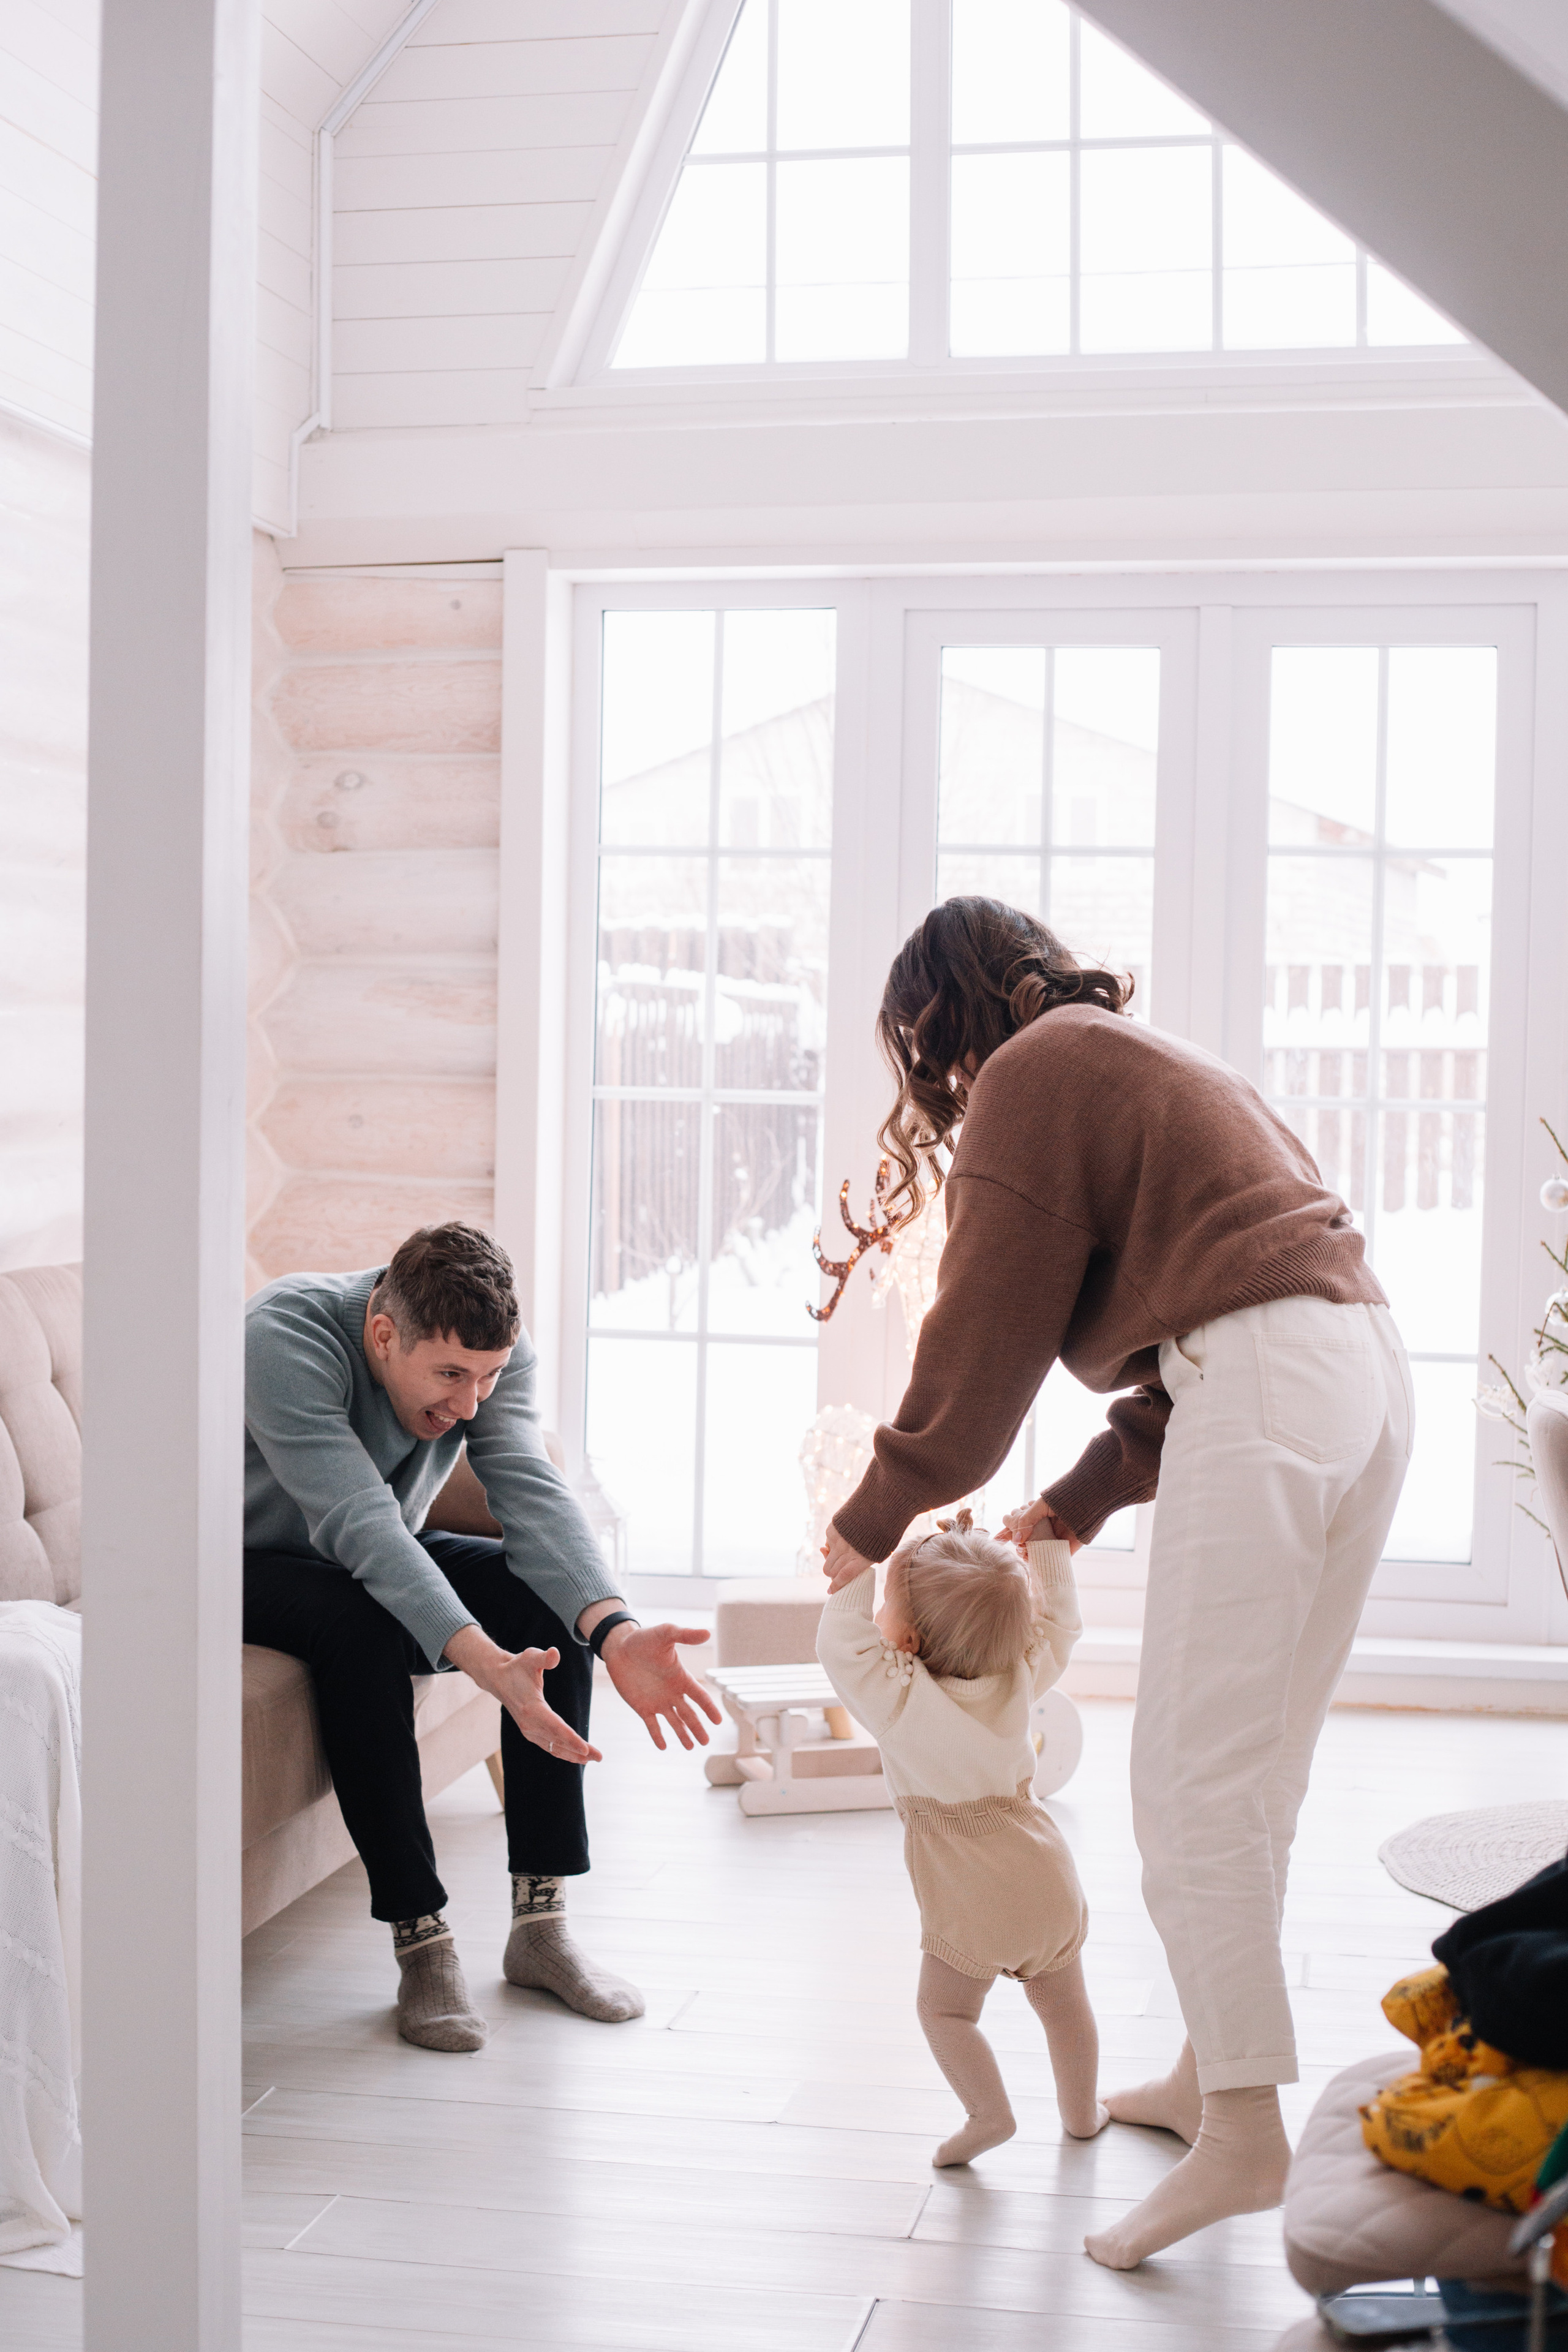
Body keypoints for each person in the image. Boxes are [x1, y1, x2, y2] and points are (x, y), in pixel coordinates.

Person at [820, 898, 1412, 2268]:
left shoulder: (1033, 1074)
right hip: (1366, 1375)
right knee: (1255, 1767)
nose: (940, 1084)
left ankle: (1245, 2135)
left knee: (1186, 1782)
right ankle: (1214, 2073)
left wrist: (869, 1519)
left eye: (926, 1051)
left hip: (1267, 1384)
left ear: (944, 1019)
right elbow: (1236, 1308)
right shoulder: (1149, 1060)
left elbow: (971, 1364)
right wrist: (1069, 1507)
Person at [243, 1221, 720, 2052]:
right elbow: (360, 1526)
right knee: (358, 1623)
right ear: (385, 1336)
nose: (470, 1404)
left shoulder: (491, 1358)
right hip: (238, 1564)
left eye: (489, 1377)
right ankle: (421, 1942)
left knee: (542, 1598)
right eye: (451, 1376)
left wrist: (613, 1631)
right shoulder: (284, 1334)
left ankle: (541, 1927)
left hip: (359, 1549)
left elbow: (532, 1493)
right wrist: (483, 1660)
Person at [816, 1514, 1106, 2164]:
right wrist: (1049, 1549)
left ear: (910, 1639)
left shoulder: (896, 1697)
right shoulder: (1021, 1673)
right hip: (1047, 1872)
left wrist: (857, 1566)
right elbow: (1061, 1624)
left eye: (887, 1609)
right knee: (1065, 2008)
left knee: (947, 2015)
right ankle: (1083, 2114)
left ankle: (989, 2115)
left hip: (967, 1894)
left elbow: (842, 1643)